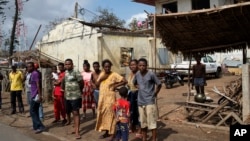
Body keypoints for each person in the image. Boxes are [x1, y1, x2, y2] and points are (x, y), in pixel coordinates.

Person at [95, 59, 127, 139]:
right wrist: (101, 78)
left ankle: (112, 134)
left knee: (111, 115)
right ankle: (106, 132)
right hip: (102, 98)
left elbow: (124, 81)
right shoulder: (102, 74)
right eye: (105, 67)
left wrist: (115, 86)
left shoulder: (114, 74)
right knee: (103, 115)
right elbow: (96, 84)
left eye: (109, 67)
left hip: (110, 98)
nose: (107, 68)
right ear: (103, 67)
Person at [133, 58, 162, 141]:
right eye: (140, 65)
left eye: (143, 65)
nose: (142, 67)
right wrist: (139, 87)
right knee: (143, 123)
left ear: (146, 66)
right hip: (140, 102)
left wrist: (155, 93)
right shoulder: (137, 74)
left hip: (150, 101)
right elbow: (134, 83)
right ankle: (144, 139)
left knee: (152, 123)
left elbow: (159, 84)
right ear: (138, 66)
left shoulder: (151, 74)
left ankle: (154, 139)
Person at [61, 58, 83, 140]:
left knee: (76, 113)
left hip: (75, 96)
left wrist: (78, 91)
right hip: (67, 96)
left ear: (72, 64)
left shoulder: (76, 71)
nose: (67, 65)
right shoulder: (66, 72)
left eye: (69, 64)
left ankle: (77, 131)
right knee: (70, 112)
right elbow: (65, 83)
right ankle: (74, 128)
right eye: (66, 64)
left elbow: (81, 82)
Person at [27, 62, 45, 133]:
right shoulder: (32, 73)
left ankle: (40, 126)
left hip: (36, 95)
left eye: (30, 67)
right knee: (35, 111)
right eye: (28, 67)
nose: (29, 68)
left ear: (33, 67)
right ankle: (35, 126)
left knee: (32, 111)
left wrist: (40, 95)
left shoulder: (35, 73)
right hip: (33, 94)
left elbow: (38, 84)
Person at [127, 59, 141, 138]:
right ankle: (132, 126)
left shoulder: (139, 74)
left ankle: (139, 129)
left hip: (138, 94)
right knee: (131, 111)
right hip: (131, 94)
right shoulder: (130, 74)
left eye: (134, 64)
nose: (132, 66)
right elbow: (129, 85)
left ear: (137, 65)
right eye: (131, 65)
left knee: (139, 112)